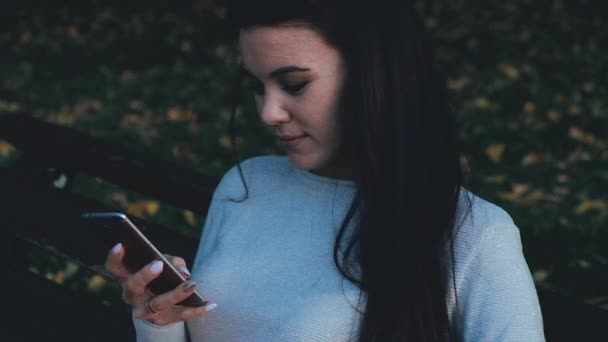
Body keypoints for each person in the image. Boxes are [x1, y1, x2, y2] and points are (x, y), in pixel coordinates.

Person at [105, 1, 546, 341]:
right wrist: (160, 319)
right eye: (257, 87)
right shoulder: (247, 185)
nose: (269, 112)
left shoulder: (473, 235)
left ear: (373, 74)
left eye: (294, 84)